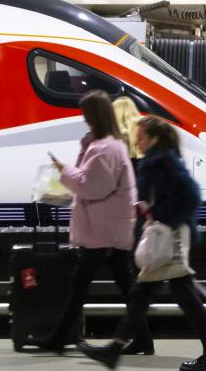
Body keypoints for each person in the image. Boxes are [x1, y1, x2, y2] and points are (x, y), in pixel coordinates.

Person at [78, 116, 206, 371]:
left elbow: (191, 195)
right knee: (152, 295)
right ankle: (117, 349)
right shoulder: (159, 160)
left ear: (154, 138)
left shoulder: (161, 161)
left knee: (156, 295)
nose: (137, 141)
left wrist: (162, 217)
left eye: (142, 137)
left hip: (169, 238)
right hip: (167, 238)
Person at [26, 90, 154, 355]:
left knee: (81, 284)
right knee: (123, 285)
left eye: (86, 114)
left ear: (96, 114)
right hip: (108, 224)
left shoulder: (106, 148)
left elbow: (92, 186)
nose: (84, 119)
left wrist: (65, 170)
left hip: (103, 227)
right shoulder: (107, 144)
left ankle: (58, 338)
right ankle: (142, 339)